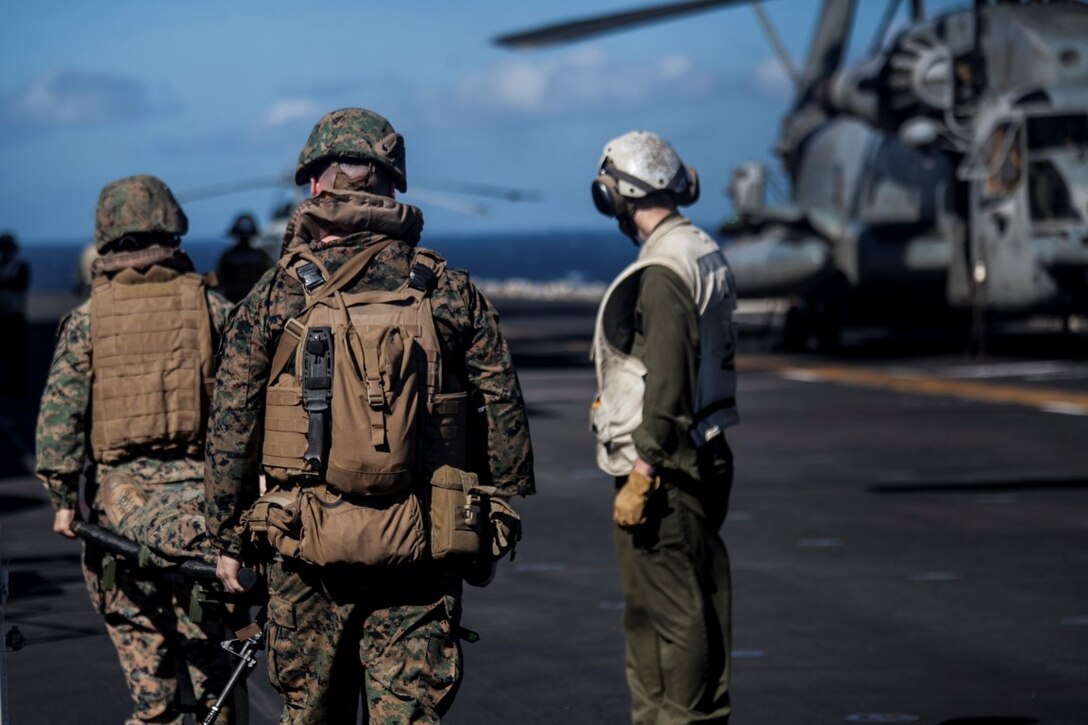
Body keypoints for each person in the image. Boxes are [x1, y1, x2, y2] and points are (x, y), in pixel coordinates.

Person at [205, 107, 535, 724]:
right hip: (423, 548)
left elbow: (231, 428)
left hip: (302, 548)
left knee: (310, 713)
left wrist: (229, 541)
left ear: (313, 186)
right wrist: (488, 525)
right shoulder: (448, 290)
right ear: (394, 184)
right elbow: (505, 424)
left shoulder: (275, 294)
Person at [35, 175, 236, 724]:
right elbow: (246, 414)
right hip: (203, 509)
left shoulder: (86, 321)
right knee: (218, 675)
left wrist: (60, 496)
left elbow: (60, 421)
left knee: (150, 680)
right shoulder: (213, 308)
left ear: (105, 233)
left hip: (119, 510)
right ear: (173, 227)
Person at [589, 131, 738, 724]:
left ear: (620, 195)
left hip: (665, 469)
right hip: (703, 447)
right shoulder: (699, 248)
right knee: (655, 610)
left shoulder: (662, 270)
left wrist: (644, 472)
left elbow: (669, 380)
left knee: (676, 617)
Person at [215, 212, 273, 303]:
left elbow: (219, 280)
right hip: (255, 300)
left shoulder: (227, 256)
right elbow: (270, 276)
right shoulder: (261, 255)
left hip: (234, 302)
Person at [0, 231, 30, 392]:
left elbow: (20, 284)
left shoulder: (20, 266)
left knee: (15, 352)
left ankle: (17, 384)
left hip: (14, 313)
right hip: (5, 314)